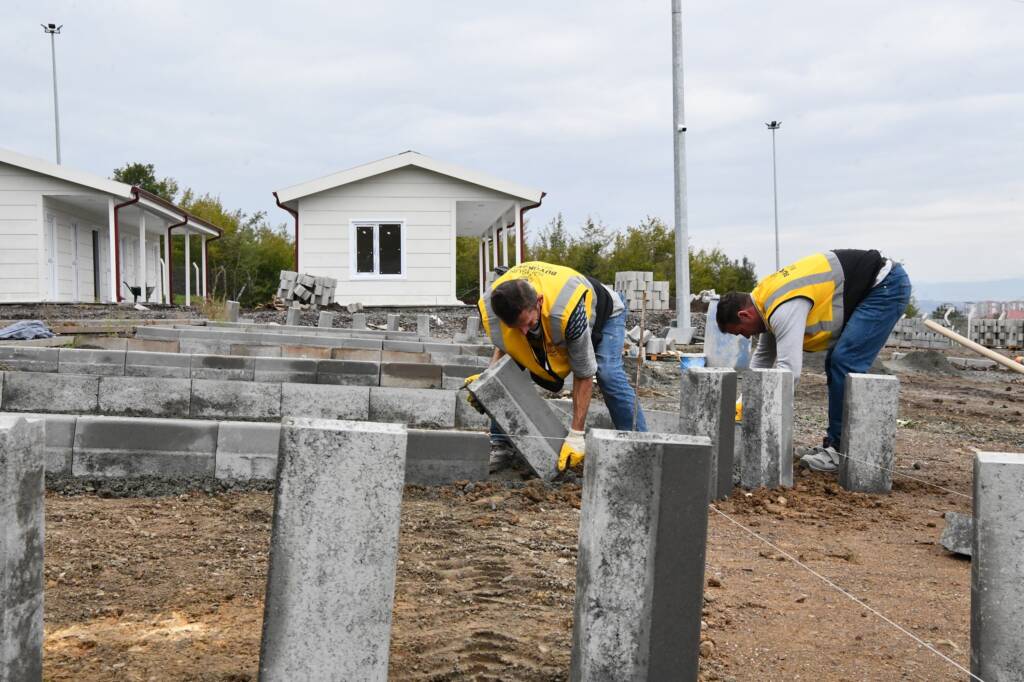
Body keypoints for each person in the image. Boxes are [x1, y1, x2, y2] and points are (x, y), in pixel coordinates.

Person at [716, 249, 911, 472]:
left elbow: (788, 372)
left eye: (741, 332)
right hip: (874, 285)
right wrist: (740, 408)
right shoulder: (764, 299)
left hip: (884, 286)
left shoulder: (782, 307)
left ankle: (840, 452)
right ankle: (833, 445)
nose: (746, 337)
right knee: (836, 362)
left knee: (844, 361)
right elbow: (762, 359)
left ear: (745, 315)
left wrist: (766, 421)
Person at [465, 261, 646, 475]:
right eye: (516, 327)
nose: (524, 332)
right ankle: (500, 442)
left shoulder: (568, 311)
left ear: (539, 302)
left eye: (528, 324)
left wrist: (577, 435)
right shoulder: (494, 306)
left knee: (607, 373)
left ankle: (640, 451)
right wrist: (488, 382)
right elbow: (506, 346)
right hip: (550, 313)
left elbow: (584, 373)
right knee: (511, 364)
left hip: (606, 312)